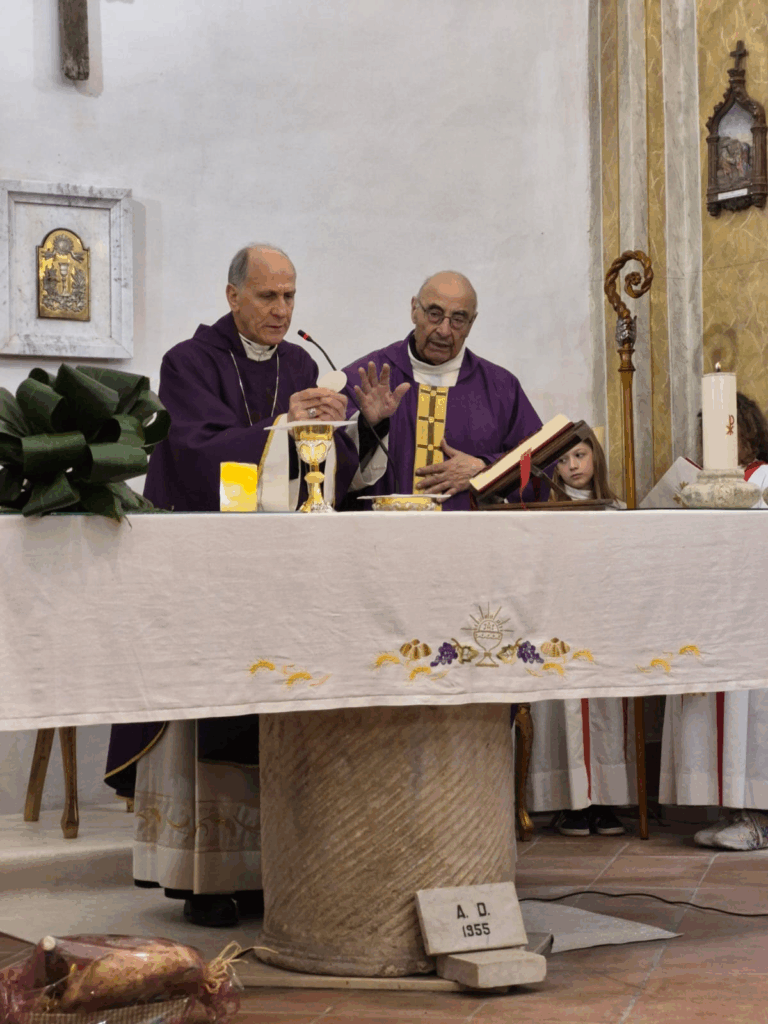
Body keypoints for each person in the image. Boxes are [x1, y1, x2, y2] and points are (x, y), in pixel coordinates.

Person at [105, 244, 357, 926]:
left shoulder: (300, 365)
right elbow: (192, 453)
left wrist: (361, 424)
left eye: (290, 296)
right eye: (269, 296)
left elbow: (323, 464)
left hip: (283, 575)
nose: (282, 310)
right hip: (206, 571)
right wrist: (280, 426)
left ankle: (270, 869)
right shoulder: (189, 362)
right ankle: (206, 879)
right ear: (233, 296)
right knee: (212, 709)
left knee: (273, 713)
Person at [660, 392, 768, 849]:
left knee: (753, 714)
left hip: (755, 612)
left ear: (749, 432)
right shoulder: (692, 480)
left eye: (728, 430)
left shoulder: (763, 477)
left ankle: (760, 819)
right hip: (708, 610)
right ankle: (732, 810)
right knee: (717, 715)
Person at [341, 271, 542, 510]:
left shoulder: (501, 388)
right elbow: (323, 467)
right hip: (383, 532)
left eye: (458, 319)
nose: (444, 330)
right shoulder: (366, 379)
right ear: (414, 310)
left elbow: (540, 461)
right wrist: (368, 427)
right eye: (434, 314)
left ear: (471, 323)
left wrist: (486, 469)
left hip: (469, 532)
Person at [526, 429, 633, 836]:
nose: (572, 466)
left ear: (596, 458)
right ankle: (569, 802)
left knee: (606, 712)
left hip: (603, 624)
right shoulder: (544, 512)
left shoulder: (616, 511)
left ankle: (606, 800)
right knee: (563, 711)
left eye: (580, 455)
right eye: (563, 459)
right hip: (560, 623)